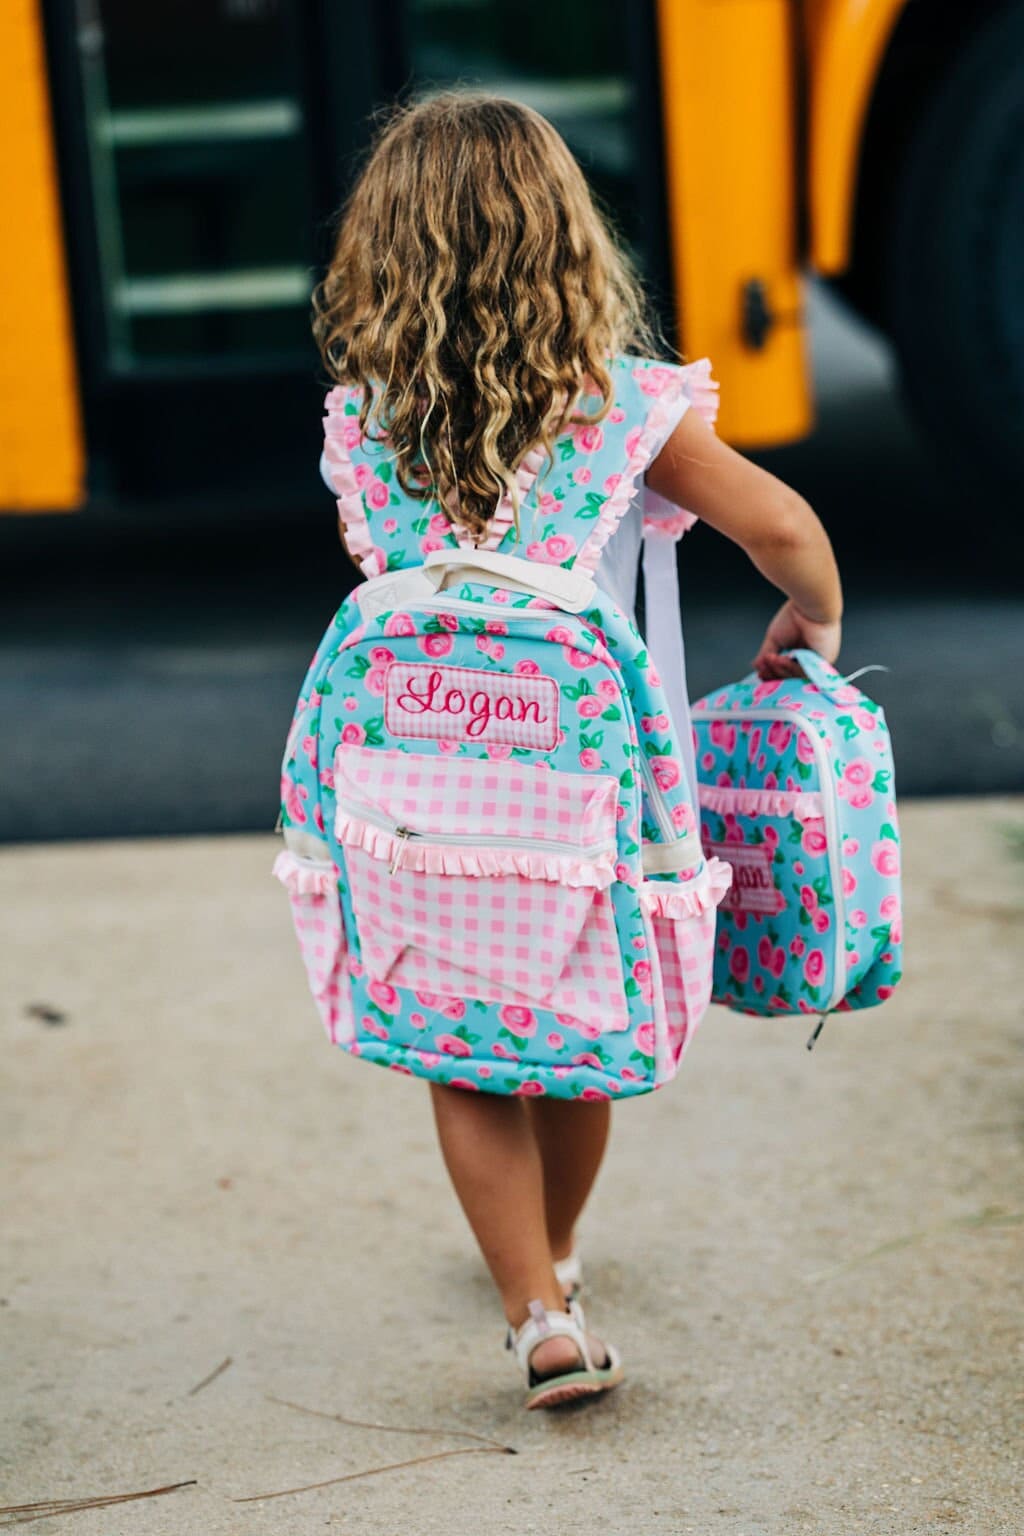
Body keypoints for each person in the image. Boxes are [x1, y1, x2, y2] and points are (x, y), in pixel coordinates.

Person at [311, 92, 842, 1408]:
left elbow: (386, 580)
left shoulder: (366, 427)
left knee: (459, 1044)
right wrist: (814, 612)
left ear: (385, 252)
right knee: (573, 1026)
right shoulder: (625, 414)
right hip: (585, 803)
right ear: (568, 241)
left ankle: (534, 1310)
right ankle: (556, 1251)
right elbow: (777, 521)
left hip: (413, 798)